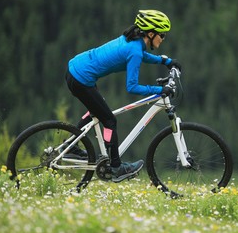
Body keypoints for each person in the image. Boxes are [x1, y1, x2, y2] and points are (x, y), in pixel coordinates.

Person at [65, 10, 181, 183]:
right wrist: (159, 90)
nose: (163, 39)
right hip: (81, 78)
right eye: (162, 35)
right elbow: (132, 87)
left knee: (97, 110)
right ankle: (116, 166)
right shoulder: (134, 49)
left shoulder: (134, 42)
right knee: (110, 121)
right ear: (150, 34)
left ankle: (70, 145)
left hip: (77, 69)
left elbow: (142, 55)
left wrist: (165, 61)